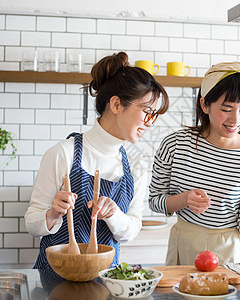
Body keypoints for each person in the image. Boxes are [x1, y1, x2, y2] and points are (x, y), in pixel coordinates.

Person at [25, 52, 169, 269]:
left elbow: (130, 231)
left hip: (106, 278)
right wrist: (53, 213)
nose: (150, 122)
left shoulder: (136, 164)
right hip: (56, 277)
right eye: (146, 111)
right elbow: (32, 224)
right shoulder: (63, 153)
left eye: (154, 115)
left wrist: (114, 214)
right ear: (117, 105)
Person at [148, 62, 240, 265]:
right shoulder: (175, 145)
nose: (236, 119)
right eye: (226, 109)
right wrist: (185, 199)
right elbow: (155, 201)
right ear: (204, 105)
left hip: (227, 255)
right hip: (182, 248)